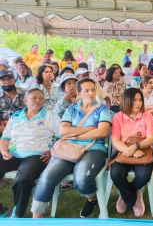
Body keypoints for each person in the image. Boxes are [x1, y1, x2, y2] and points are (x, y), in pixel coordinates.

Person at [31, 78, 111, 218]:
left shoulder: (102, 109)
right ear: (79, 93)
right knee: (46, 177)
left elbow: (102, 132)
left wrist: (76, 134)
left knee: (81, 180)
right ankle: (37, 218)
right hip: (68, 147)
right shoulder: (71, 109)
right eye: (86, 90)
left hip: (94, 148)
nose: (91, 93)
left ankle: (92, 198)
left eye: (93, 90)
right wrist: (90, 129)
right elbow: (63, 131)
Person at [0, 88, 60, 218]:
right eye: (34, 98)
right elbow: (5, 137)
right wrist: (4, 151)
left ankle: (18, 213)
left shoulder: (51, 116)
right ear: (25, 100)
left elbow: (62, 137)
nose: (38, 101)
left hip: (36, 155)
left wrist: (52, 152)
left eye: (41, 98)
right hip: (13, 153)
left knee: (23, 178)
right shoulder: (16, 116)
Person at [110, 88, 153, 217]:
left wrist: (135, 147)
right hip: (123, 150)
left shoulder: (147, 115)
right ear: (127, 101)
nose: (138, 103)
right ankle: (132, 196)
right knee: (116, 174)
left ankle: (127, 194)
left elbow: (151, 138)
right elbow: (115, 140)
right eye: (134, 100)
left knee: (144, 176)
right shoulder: (118, 117)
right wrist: (128, 150)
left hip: (143, 149)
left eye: (140, 100)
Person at [0, 70, 26, 135]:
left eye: (9, 79)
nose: (6, 82)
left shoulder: (26, 93)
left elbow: (32, 111)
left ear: (15, 80)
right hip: (3, 129)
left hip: (23, 128)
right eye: (3, 80)